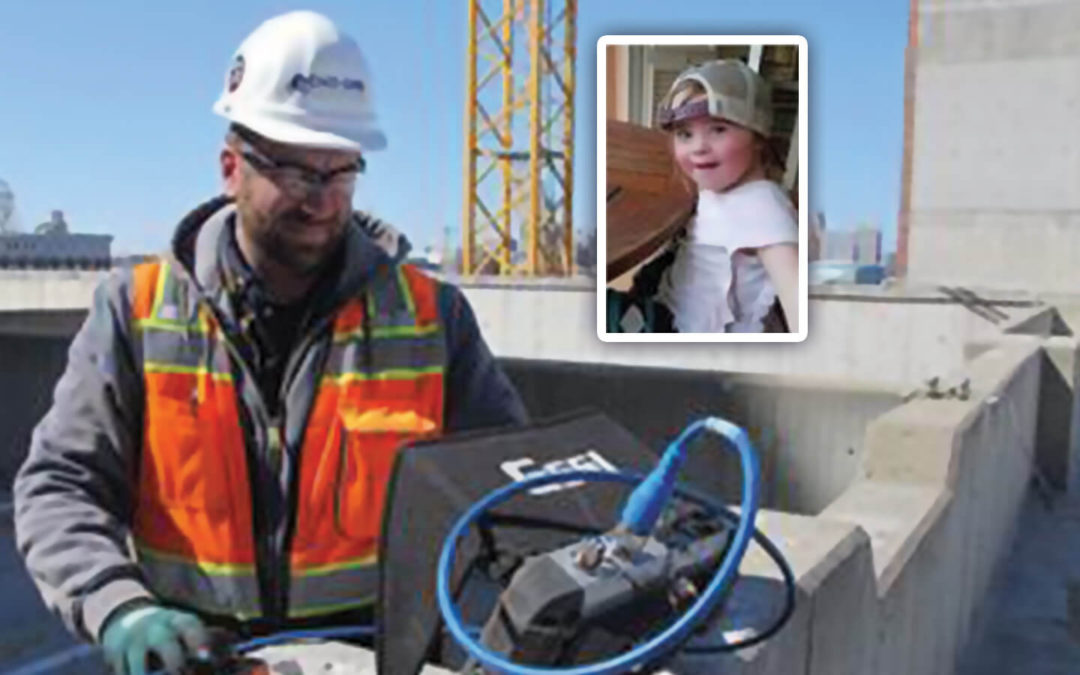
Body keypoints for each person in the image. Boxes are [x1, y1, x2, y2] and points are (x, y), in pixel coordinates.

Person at [13, 11, 527, 675]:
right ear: (231, 168)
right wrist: (118, 606)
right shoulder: (136, 311)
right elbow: (60, 484)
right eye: (296, 172)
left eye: (340, 172)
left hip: (371, 660)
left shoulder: (432, 318)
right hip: (195, 660)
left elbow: (512, 492)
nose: (322, 200)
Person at [609, 59, 799, 334]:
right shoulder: (722, 184)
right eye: (685, 134)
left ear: (758, 136)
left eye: (718, 129)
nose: (698, 147)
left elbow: (797, 298)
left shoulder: (764, 208)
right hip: (665, 304)